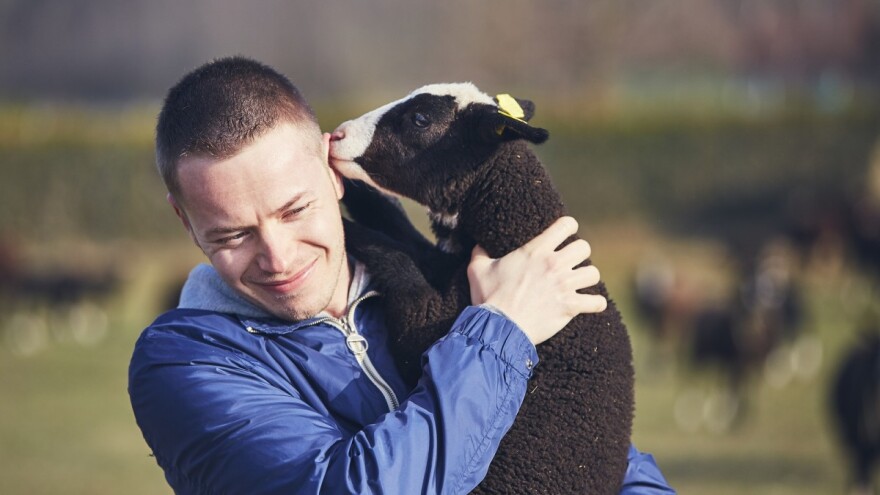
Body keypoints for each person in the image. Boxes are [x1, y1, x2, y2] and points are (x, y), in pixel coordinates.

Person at [128, 56, 674, 494]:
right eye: (233, 235)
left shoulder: (453, 277)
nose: (278, 256)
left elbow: (592, 448)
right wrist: (499, 331)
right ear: (186, 220)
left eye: (295, 211)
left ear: (333, 169)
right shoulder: (186, 361)